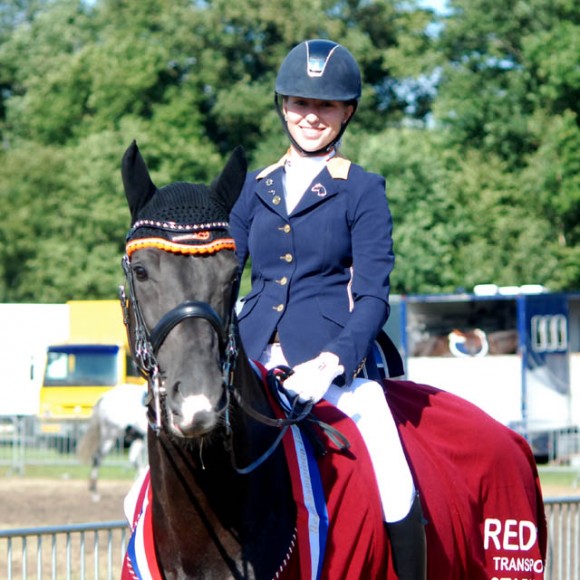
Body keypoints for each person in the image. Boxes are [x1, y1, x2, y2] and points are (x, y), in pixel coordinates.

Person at [229, 39, 426, 578]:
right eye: (299, 103)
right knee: (146, 486)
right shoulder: (254, 189)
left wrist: (331, 362)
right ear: (282, 106)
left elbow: (373, 297)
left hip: (328, 368)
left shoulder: (361, 189)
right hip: (249, 361)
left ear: (347, 112)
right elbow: (224, 279)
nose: (310, 116)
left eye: (326, 106)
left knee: (391, 473)